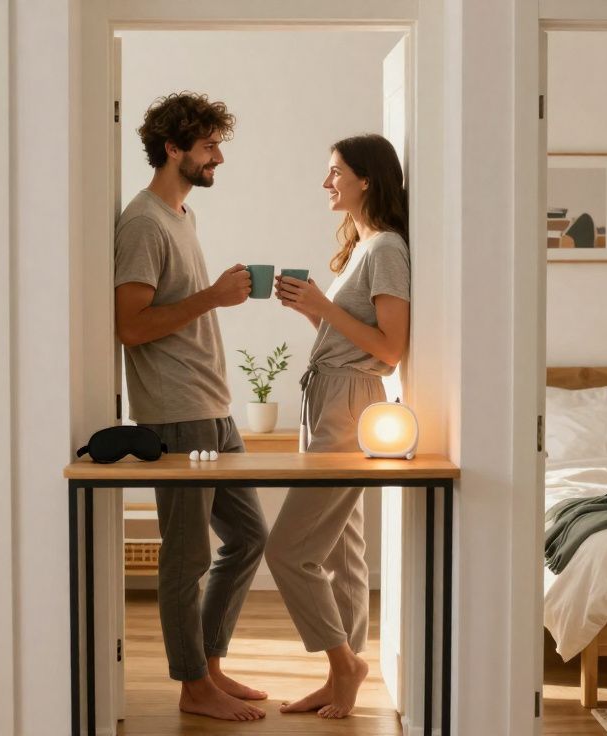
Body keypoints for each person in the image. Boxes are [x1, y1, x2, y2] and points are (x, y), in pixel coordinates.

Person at [113, 92, 269, 722]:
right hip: (176, 414)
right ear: (172, 148)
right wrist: (212, 297)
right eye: (208, 146)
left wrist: (213, 294)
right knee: (187, 557)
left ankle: (209, 665)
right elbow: (130, 326)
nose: (218, 158)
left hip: (212, 408)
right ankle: (192, 685)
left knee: (249, 537)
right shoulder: (143, 223)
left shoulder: (182, 215)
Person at [265, 133, 411, 719]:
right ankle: (340, 675)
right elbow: (353, 339)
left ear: (366, 179)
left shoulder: (387, 249)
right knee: (343, 551)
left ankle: (344, 664)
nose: (326, 182)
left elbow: (390, 350)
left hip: (348, 402)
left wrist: (324, 308)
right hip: (328, 394)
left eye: (335, 172)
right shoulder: (362, 246)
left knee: (288, 551)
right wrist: (314, 314)